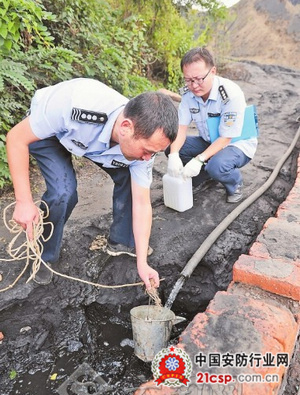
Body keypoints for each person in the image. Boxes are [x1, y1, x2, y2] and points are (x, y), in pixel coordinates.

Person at [6, 78, 178, 288]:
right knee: (63, 192)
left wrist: (143, 262)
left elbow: (142, 204)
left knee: (132, 178)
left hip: (98, 145)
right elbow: (16, 138)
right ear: (126, 127)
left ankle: (121, 241)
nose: (148, 158)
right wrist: (23, 201)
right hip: (53, 133)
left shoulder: (140, 144)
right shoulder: (72, 105)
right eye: (148, 151)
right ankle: (44, 256)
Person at [167, 47, 258, 202]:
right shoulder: (189, 94)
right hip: (209, 140)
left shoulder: (230, 94)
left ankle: (234, 183)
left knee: (216, 166)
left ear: (213, 71)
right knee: (171, 146)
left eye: (199, 79)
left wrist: (198, 159)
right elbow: (181, 128)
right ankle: (205, 175)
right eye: (188, 80)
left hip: (236, 144)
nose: (194, 85)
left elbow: (226, 138)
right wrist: (174, 154)